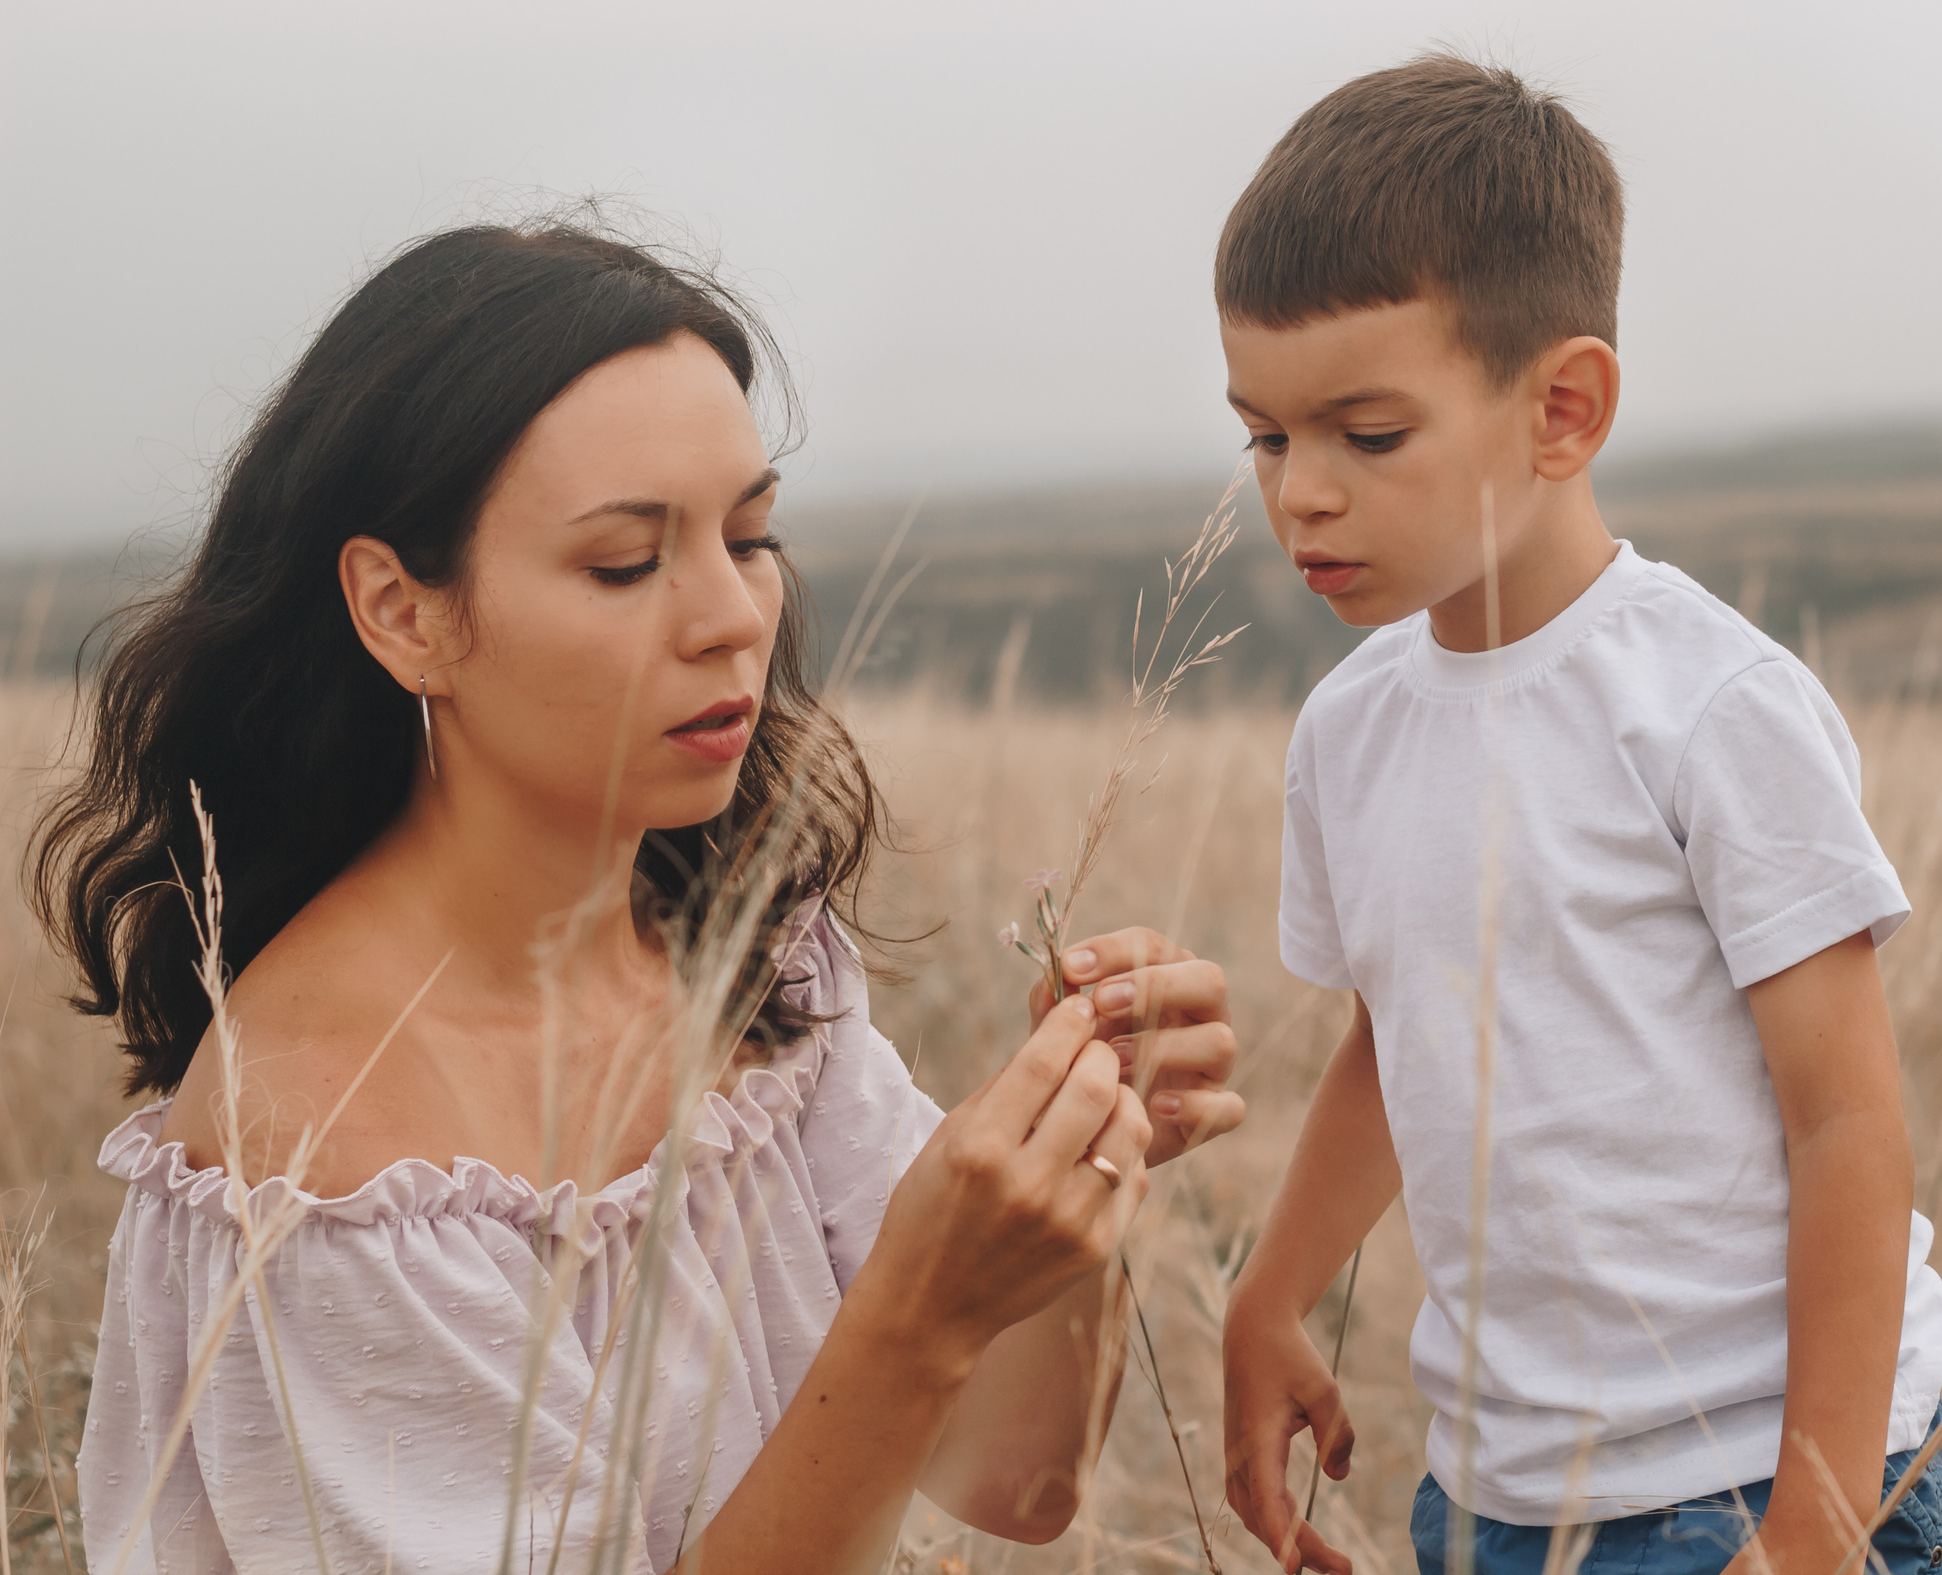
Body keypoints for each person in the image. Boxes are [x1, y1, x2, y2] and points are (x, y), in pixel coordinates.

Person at [33, 219, 1245, 1574]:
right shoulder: (328, 1165)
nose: (734, 615)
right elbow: (907, 1373)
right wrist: (909, 1312)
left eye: (752, 535)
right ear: (401, 612)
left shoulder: (751, 954)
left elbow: (1016, 1479)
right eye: (625, 562)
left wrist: (1087, 1148)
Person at [1214, 56, 1942, 1575]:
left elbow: (1848, 1126)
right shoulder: (1349, 731)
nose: (1300, 493)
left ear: (1563, 409)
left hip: (1759, 1483)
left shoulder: (1706, 707)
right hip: (1492, 1495)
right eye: (1265, 436)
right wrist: (1270, 1295)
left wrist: (1820, 1524)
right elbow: (1402, 1036)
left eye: (1366, 436)